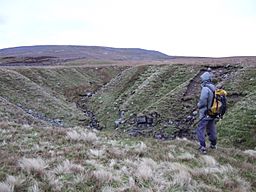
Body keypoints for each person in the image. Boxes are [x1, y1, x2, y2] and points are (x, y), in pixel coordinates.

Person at [196, 71, 217, 154]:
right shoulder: (214, 87)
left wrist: (199, 105)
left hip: (205, 113)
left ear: (204, 79)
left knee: (200, 129)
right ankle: (213, 144)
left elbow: (203, 101)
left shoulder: (205, 88)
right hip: (213, 112)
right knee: (211, 128)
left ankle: (202, 147)